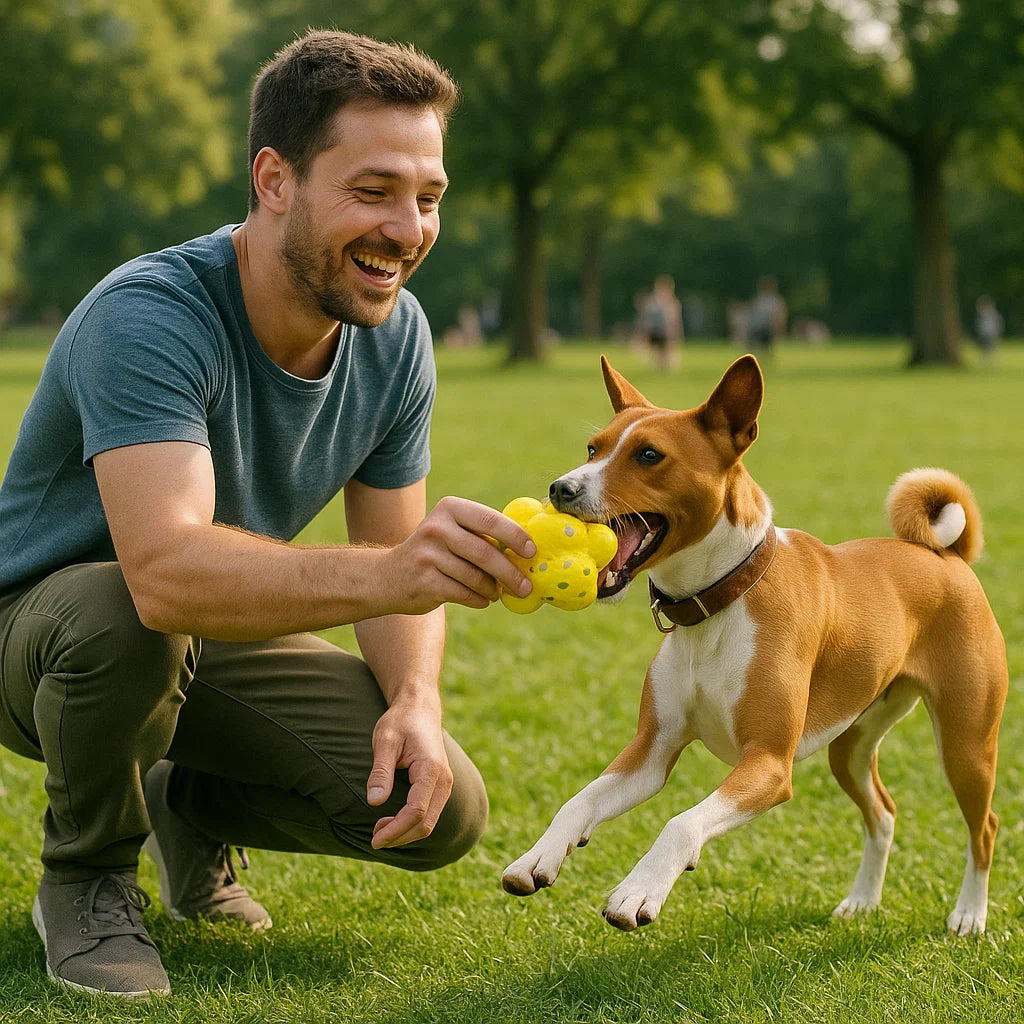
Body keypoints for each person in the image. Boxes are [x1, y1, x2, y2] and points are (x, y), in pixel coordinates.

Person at [0, 30, 537, 999]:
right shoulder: (152, 314)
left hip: (199, 634)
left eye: (428, 198)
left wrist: (415, 700)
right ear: (275, 179)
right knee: (129, 613)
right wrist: (399, 570)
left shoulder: (394, 335)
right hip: (43, 635)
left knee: (435, 811)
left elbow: (391, 559)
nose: (408, 229)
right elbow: (164, 569)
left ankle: (183, 799)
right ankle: (87, 877)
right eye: (372, 191)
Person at [747, 275, 787, 357]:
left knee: (766, 346)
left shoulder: (775, 300)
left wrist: (778, 327)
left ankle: (764, 356)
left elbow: (779, 315)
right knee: (754, 344)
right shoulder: (759, 299)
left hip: (768, 328)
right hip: (757, 327)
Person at [975, 294, 1004, 363]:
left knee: (990, 347)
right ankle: (986, 359)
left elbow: (998, 324)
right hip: (984, 333)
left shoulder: (994, 314)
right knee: (984, 347)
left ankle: (989, 360)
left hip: (991, 333)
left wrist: (997, 332)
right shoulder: (981, 315)